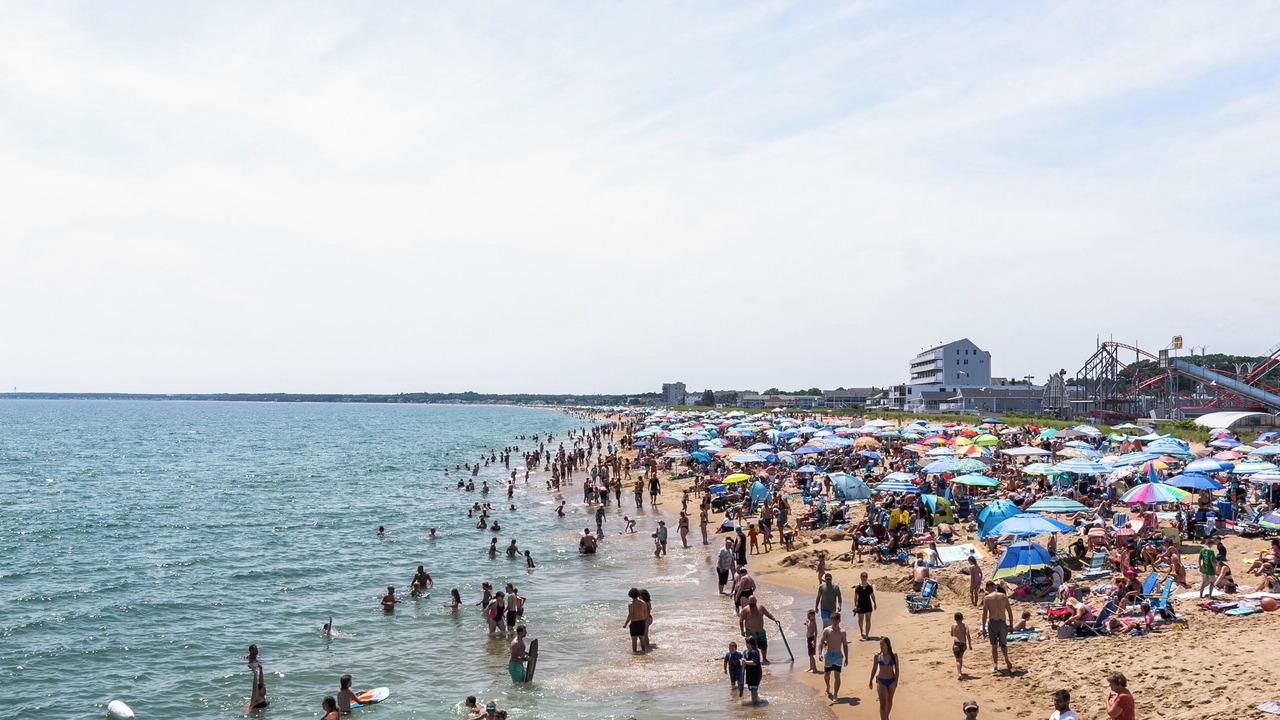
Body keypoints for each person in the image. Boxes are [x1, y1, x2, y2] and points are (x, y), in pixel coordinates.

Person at [981, 581, 1014, 674]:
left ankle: (995, 666)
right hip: (1002, 622)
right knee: (1003, 644)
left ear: (987, 588)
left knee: (994, 645)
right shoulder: (1003, 596)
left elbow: (984, 614)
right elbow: (1009, 612)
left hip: (993, 622)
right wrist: (1011, 625)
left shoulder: (987, 598)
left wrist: (983, 628)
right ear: (995, 587)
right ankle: (1006, 658)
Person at [738, 596, 778, 664]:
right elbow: (741, 621)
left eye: (753, 600)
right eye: (751, 601)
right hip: (750, 632)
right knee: (751, 648)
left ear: (756, 600)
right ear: (748, 601)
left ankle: (764, 659)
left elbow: (768, 614)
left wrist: (775, 619)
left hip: (760, 631)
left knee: (764, 646)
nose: (752, 602)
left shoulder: (760, 607)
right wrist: (742, 631)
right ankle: (751, 661)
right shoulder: (745, 610)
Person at [821, 611, 850, 701]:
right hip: (828, 655)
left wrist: (846, 658)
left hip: (838, 655)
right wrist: (819, 653)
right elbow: (821, 642)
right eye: (833, 620)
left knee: (837, 675)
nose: (835, 622)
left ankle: (835, 694)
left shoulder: (842, 632)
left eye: (837, 620)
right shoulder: (827, 630)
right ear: (831, 620)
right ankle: (828, 686)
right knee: (827, 675)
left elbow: (845, 645)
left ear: (839, 621)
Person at [868, 636, 899, 720]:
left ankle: (886, 716)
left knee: (889, 700)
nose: (881, 646)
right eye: (880, 644)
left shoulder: (894, 655)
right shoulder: (877, 656)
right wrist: (870, 680)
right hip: (881, 681)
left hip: (891, 681)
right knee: (883, 703)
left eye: (882, 644)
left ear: (887, 645)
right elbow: (874, 668)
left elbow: (896, 669)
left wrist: (896, 681)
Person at [854, 571, 877, 640]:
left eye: (865, 577)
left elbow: (872, 596)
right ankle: (861, 631)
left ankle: (867, 635)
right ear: (860, 577)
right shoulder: (857, 587)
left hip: (868, 605)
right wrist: (855, 606)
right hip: (860, 605)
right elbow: (855, 597)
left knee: (868, 620)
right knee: (860, 620)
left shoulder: (869, 587)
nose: (864, 578)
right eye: (863, 577)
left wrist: (875, 603)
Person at [950, 611, 973, 681]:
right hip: (963, 643)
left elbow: (952, 634)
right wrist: (970, 645)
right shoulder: (965, 626)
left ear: (955, 619)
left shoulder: (953, 625)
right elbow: (968, 635)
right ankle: (960, 672)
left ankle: (959, 672)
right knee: (961, 657)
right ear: (962, 618)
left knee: (957, 659)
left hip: (956, 643)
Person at [625, 588, 648, 652]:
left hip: (634, 623)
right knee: (641, 637)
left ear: (630, 595)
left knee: (634, 639)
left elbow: (630, 615)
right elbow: (645, 612)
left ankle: (634, 652)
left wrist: (626, 623)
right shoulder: (643, 602)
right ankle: (644, 650)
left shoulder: (631, 604)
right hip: (641, 621)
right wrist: (644, 620)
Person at [742, 636, 763, 705]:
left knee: (753, 689)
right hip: (752, 674)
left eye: (746, 643)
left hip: (754, 674)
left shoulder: (753, 651)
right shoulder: (752, 650)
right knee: (752, 689)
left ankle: (754, 703)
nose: (746, 645)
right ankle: (755, 700)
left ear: (749, 644)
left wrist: (745, 662)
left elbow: (754, 662)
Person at [804, 609, 819, 673]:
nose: (809, 617)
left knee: (811, 654)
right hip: (808, 638)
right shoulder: (809, 621)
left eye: (810, 616)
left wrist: (814, 640)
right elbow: (808, 626)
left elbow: (815, 632)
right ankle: (811, 667)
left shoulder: (813, 623)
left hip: (812, 639)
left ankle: (814, 668)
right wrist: (806, 623)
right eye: (808, 616)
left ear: (814, 616)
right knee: (809, 654)